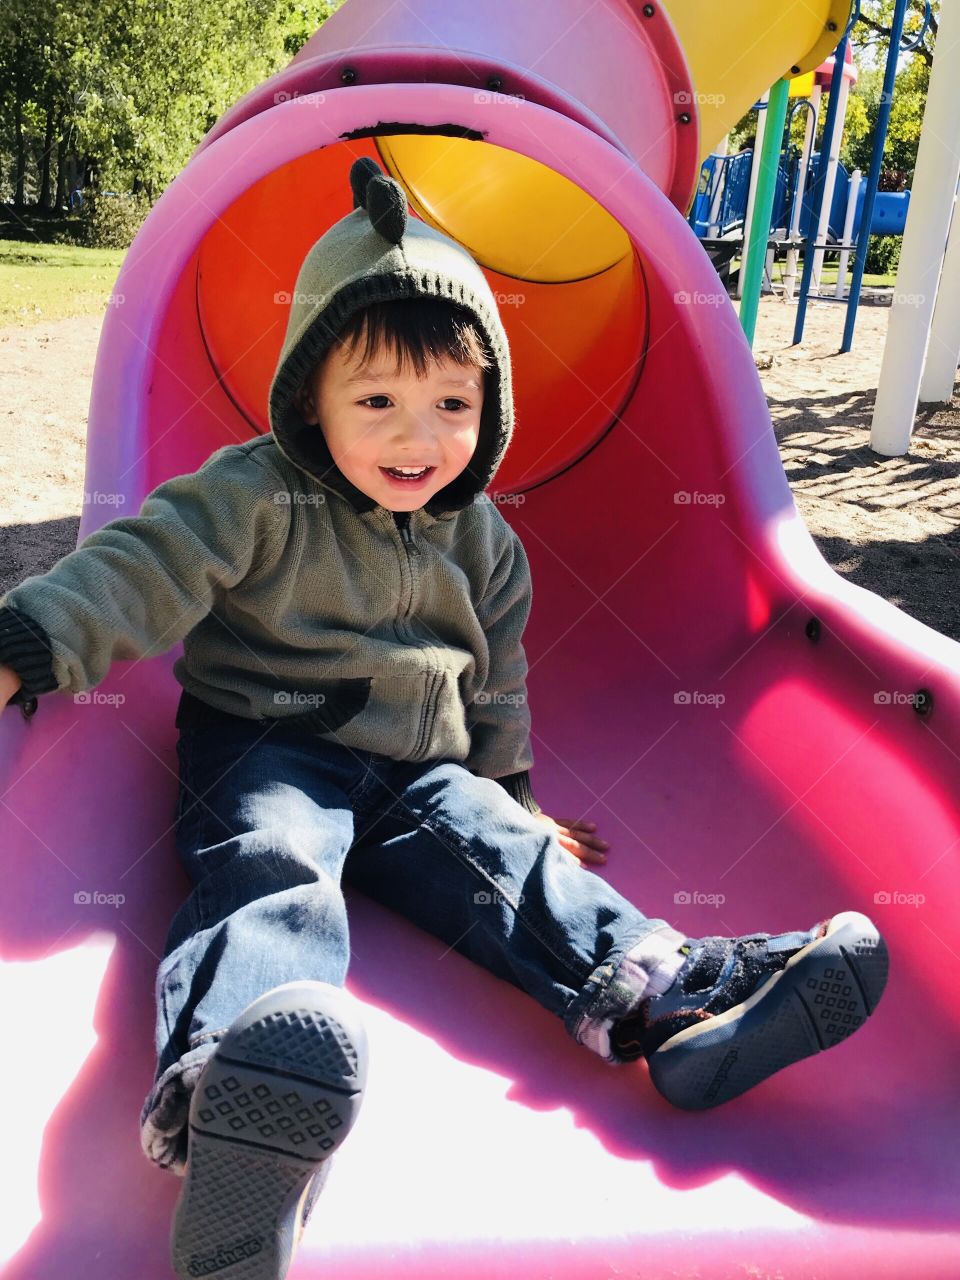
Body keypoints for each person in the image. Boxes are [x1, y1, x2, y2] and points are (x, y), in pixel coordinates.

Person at [0, 156, 889, 1280]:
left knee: (515, 861)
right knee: (272, 865)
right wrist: (26, 645)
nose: (417, 437)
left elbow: (495, 679)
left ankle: (673, 1004)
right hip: (271, 744)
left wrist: (515, 796)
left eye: (452, 405)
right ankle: (240, 1086)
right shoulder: (255, 489)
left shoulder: (484, 542)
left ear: (489, 407)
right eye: (376, 401)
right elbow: (142, 563)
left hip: (421, 769)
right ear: (306, 398)